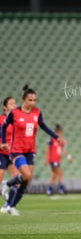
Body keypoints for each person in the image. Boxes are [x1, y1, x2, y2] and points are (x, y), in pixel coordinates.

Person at [0, 85, 60, 216]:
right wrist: (4, 142)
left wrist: (56, 137)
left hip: (30, 150)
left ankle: (11, 205)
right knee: (26, 176)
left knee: (27, 180)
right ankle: (9, 187)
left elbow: (43, 126)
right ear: (23, 100)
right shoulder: (14, 113)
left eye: (34, 100)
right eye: (30, 100)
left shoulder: (36, 112)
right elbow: (3, 127)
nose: (32, 103)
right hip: (16, 150)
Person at [45, 124, 73, 195]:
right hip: (53, 160)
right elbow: (47, 149)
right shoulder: (52, 139)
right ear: (59, 131)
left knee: (54, 175)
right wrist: (47, 159)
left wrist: (69, 156)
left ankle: (49, 190)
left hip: (57, 160)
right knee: (60, 173)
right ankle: (61, 189)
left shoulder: (60, 140)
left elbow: (62, 149)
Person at [0, 97, 19, 200]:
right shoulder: (1, 119)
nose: (14, 106)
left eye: (15, 104)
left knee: (17, 179)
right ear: (4, 107)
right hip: (1, 153)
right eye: (11, 104)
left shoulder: (16, 120)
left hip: (12, 153)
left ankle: (9, 205)